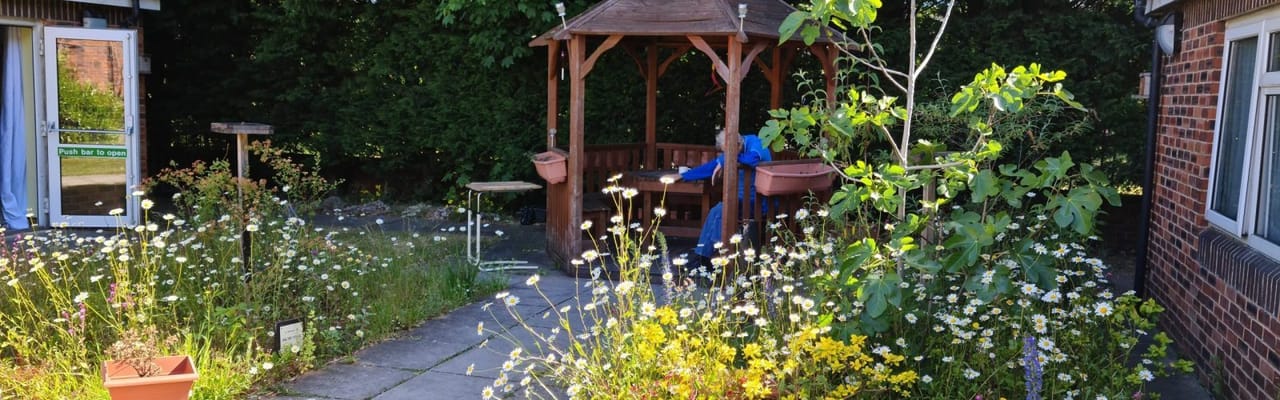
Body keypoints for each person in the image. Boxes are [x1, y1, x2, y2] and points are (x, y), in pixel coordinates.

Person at [668, 129, 772, 269]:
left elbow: (752, 159)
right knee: (717, 211)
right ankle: (704, 258)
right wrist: (685, 176)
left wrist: (725, 160)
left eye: (728, 152)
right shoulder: (735, 151)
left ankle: (705, 258)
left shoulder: (756, 143)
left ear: (737, 144)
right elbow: (711, 166)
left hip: (759, 203)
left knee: (720, 210)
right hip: (741, 201)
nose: (726, 155)